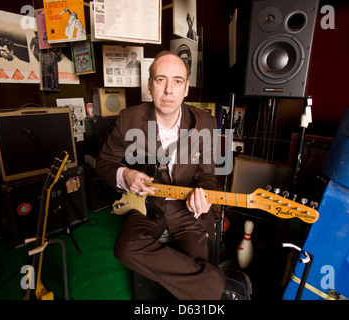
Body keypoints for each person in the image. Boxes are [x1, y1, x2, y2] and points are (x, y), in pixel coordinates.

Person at [95, 51, 251, 300]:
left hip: (186, 207)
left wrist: (203, 195)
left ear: (186, 88)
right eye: (160, 80)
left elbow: (209, 176)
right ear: (149, 85)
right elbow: (104, 163)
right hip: (146, 205)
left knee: (196, 258)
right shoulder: (128, 119)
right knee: (126, 248)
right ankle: (225, 287)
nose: (169, 90)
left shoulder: (207, 123)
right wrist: (125, 175)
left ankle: (213, 288)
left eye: (177, 81)